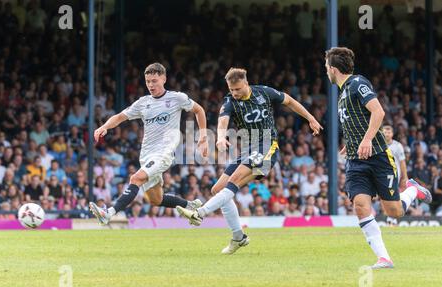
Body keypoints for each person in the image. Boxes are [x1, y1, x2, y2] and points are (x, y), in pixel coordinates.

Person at [177, 67, 322, 254]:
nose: (234, 93)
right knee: (217, 189)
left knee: (234, 180)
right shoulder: (229, 101)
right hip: (247, 149)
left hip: (267, 146)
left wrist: (310, 118)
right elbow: (223, 121)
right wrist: (221, 137)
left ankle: (200, 213)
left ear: (246, 83)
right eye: (231, 90)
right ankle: (238, 237)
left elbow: (290, 101)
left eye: (237, 89)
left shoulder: (264, 92)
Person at [324, 47, 432, 269]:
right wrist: (353, 143)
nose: (326, 71)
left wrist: (366, 140)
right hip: (355, 161)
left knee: (394, 211)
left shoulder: (357, 83)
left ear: (333, 69)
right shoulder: (342, 93)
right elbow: (357, 121)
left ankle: (412, 190)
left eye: (326, 67)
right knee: (360, 205)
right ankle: (384, 258)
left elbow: (378, 112)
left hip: (379, 157)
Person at [89, 63, 209, 225]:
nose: (150, 85)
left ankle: (108, 213)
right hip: (146, 154)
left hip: (164, 153)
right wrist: (104, 126)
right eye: (147, 81)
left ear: (164, 79)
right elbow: (120, 117)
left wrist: (203, 135)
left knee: (136, 178)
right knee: (156, 199)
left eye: (154, 81)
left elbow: (199, 110)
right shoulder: (143, 102)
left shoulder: (177, 98)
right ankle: (191, 205)